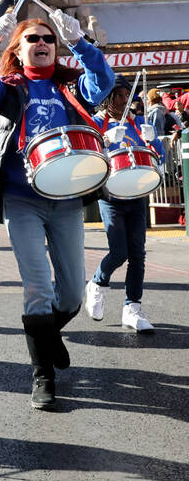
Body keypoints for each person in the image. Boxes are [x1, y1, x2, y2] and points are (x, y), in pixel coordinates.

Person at [0, 0, 114, 410]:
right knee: (37, 287)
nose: (44, 42)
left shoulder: (69, 85)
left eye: (49, 38)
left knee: (70, 297)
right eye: (34, 38)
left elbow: (104, 82)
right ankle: (42, 376)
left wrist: (80, 42)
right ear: (19, 48)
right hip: (22, 200)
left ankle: (47, 337)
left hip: (65, 200)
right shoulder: (11, 90)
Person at [85, 81, 164, 333]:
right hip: (111, 195)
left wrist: (155, 141)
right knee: (119, 252)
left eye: (126, 96)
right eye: (118, 96)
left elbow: (156, 155)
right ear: (106, 98)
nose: (124, 101)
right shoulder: (96, 123)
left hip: (138, 193)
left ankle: (132, 308)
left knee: (138, 256)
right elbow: (87, 156)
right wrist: (104, 141)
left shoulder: (137, 122)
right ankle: (97, 283)